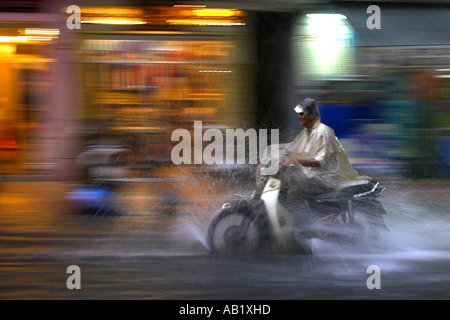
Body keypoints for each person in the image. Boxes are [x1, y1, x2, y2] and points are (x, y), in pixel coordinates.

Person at [279, 98, 370, 200]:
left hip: (324, 179)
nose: (299, 117)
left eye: (302, 114)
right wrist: (282, 158)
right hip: (309, 175)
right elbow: (292, 149)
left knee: (294, 193)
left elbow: (317, 162)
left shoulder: (323, 133)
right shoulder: (305, 133)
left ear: (312, 116)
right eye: (299, 114)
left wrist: (295, 160)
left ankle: (302, 216)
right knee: (284, 187)